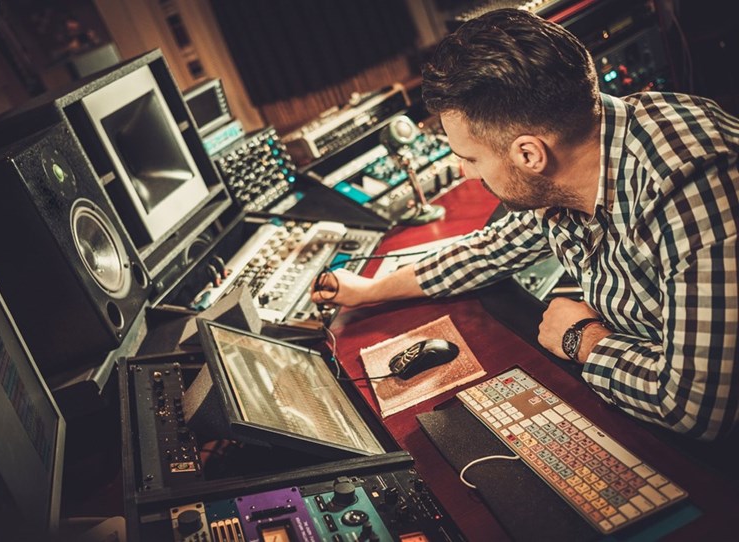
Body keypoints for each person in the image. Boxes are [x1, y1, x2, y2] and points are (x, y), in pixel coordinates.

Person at [311, 8, 738, 441]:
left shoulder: (689, 187)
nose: (464, 173)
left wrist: (582, 339)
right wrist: (366, 291)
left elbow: (694, 406)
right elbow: (490, 249)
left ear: (529, 155)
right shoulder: (586, 148)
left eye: (470, 157)